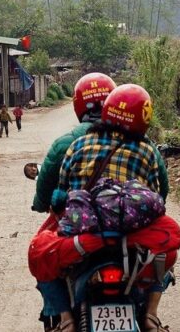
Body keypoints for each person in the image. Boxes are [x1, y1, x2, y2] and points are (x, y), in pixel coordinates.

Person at [45, 84, 170, 332]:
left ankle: (66, 320)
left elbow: (60, 193)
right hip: (131, 238)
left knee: (44, 256)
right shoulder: (147, 150)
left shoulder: (78, 145)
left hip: (84, 234)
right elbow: (158, 196)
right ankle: (151, 316)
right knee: (165, 251)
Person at [31, 73, 115, 214]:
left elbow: (46, 185)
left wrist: (40, 204)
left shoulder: (64, 144)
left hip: (78, 221)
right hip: (130, 221)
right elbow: (160, 186)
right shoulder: (137, 138)